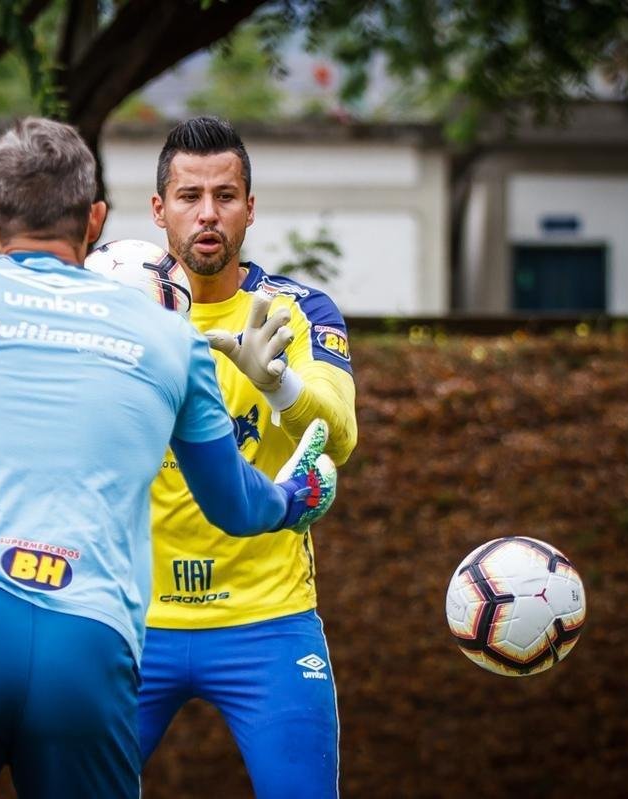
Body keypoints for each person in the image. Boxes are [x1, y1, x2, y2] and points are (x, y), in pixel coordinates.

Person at [0, 117, 337, 799]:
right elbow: (235, 505)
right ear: (96, 221)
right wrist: (292, 498)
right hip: (85, 638)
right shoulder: (167, 336)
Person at [139, 117, 359, 798]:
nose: (208, 213)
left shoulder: (294, 310)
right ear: (159, 209)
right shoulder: (123, 311)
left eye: (226, 195)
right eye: (189, 195)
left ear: (250, 208)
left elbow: (341, 435)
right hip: (132, 619)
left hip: (268, 620)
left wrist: (280, 385)